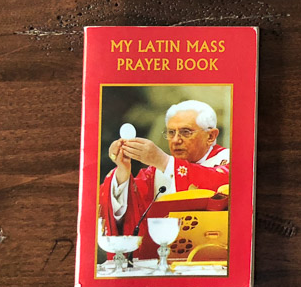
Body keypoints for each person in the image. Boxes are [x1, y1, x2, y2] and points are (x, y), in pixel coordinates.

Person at [98, 100, 229, 245]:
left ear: (210, 136)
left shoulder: (229, 160)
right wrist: (123, 170)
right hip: (160, 255)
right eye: (171, 132)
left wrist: (163, 161)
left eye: (186, 132)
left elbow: (223, 185)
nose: (176, 140)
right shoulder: (156, 172)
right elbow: (131, 212)